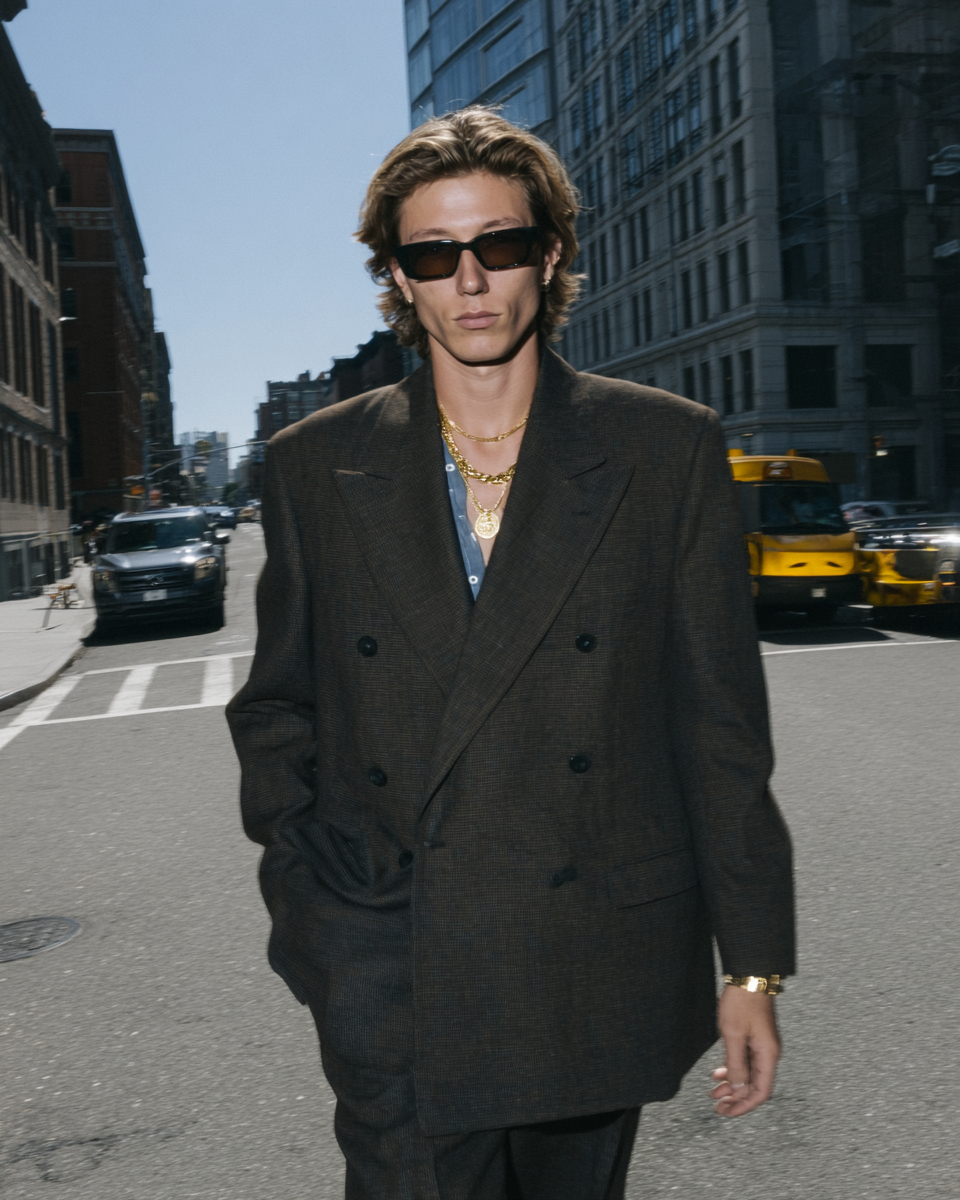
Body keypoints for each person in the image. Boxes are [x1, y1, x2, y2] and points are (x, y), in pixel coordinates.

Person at [226, 107, 795, 1200]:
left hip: (593, 957)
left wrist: (755, 965)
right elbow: (278, 709)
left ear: (552, 253)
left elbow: (720, 731)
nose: (471, 281)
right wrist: (321, 917)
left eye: (501, 244)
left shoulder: (663, 448)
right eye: (434, 256)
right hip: (398, 965)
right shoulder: (315, 467)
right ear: (399, 279)